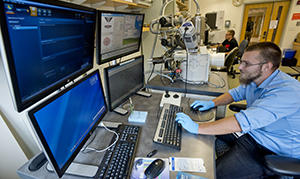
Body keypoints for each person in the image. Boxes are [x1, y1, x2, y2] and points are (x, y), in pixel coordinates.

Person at [175, 42, 300, 178]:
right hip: (254, 133)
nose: (240, 67)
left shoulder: (287, 92)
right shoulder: (256, 79)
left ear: (266, 66)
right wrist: (212, 103)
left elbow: (243, 121)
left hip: (272, 151)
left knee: (214, 174)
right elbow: (235, 93)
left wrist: (197, 127)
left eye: (247, 64)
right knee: (203, 133)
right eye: (241, 62)